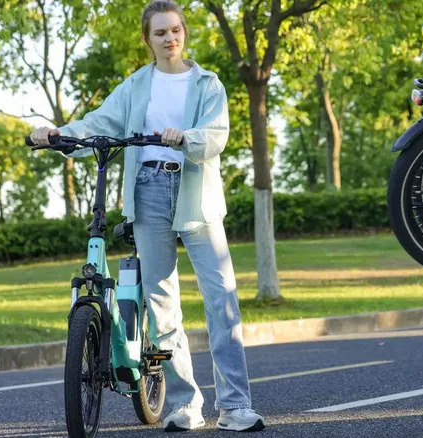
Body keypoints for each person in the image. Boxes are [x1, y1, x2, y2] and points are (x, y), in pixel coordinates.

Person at [29, 0, 265, 433]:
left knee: (221, 299)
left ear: (184, 33)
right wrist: (59, 133)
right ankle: (184, 404)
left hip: (195, 190)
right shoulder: (136, 85)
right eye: (160, 32)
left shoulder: (207, 83)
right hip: (148, 190)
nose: (170, 38)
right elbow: (100, 122)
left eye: (175, 30)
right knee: (161, 304)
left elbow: (216, 135)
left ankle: (235, 406)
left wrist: (185, 137)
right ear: (148, 39)